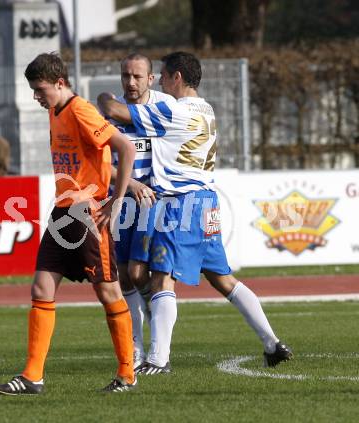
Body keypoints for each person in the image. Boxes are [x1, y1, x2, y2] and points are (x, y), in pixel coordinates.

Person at [98, 51, 292, 375]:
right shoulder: (207, 109)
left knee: (162, 279)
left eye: (162, 74)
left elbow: (113, 109)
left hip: (180, 203)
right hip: (207, 202)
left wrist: (104, 96)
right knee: (223, 279)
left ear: (176, 77)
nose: (158, 80)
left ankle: (158, 359)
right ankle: (272, 344)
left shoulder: (173, 110)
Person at [0, 52, 136, 395]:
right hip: (62, 213)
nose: (36, 96)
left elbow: (125, 148)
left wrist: (117, 198)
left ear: (59, 83)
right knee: (41, 288)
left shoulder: (81, 110)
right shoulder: (56, 112)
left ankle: (127, 374)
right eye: (33, 90)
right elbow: (95, 158)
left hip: (86, 213)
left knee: (108, 291)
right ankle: (32, 376)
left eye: (40, 89)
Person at [106, 53, 175, 370]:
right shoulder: (109, 116)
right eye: (125, 76)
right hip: (121, 200)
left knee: (137, 272)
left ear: (151, 79)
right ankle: (134, 347)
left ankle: (155, 323)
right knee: (122, 277)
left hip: (153, 202)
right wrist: (130, 184)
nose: (130, 82)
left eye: (137, 76)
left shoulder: (164, 108)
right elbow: (100, 165)